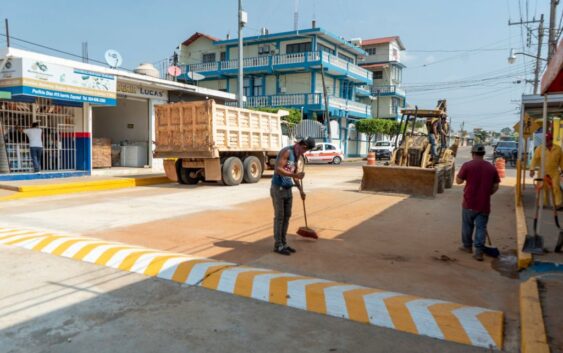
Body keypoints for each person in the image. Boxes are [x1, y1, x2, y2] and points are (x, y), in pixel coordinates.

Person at [271, 137, 316, 255]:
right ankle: (278, 245)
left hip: (287, 188)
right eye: (306, 150)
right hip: (278, 188)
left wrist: (300, 189)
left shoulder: (297, 156)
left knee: (287, 216)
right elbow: (278, 169)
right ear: (304, 146)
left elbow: (294, 174)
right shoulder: (287, 152)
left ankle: (284, 243)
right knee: (279, 217)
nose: (305, 153)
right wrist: (295, 176)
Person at [456, 144, 500, 261]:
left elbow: (458, 181)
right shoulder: (491, 167)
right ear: (483, 154)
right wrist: (487, 194)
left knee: (467, 226)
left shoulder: (467, 165)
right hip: (484, 204)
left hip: (469, 202)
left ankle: (467, 246)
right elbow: (496, 186)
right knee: (481, 227)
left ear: (473, 153)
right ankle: (479, 252)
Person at [530, 132, 563, 209]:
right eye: (545, 140)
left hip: (554, 171)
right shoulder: (540, 148)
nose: (546, 142)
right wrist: (532, 169)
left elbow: (562, 160)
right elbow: (534, 160)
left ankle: (558, 204)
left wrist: (562, 168)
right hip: (543, 171)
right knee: (542, 187)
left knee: (556, 187)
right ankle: (542, 203)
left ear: (551, 140)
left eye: (548, 140)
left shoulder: (558, 149)